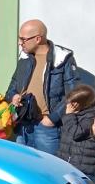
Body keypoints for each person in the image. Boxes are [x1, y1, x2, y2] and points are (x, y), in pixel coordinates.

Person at [5, 19, 79, 154]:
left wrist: (52, 119)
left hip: (46, 127)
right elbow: (11, 89)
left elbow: (73, 93)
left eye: (23, 39)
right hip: (23, 125)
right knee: (23, 167)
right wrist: (13, 96)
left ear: (38, 39)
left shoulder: (62, 59)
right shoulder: (24, 59)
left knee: (48, 169)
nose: (19, 43)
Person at [57, 84, 95, 179]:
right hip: (67, 164)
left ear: (80, 104)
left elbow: (76, 134)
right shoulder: (75, 113)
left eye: (72, 103)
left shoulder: (92, 116)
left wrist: (69, 115)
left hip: (81, 168)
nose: (68, 106)